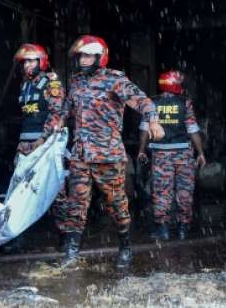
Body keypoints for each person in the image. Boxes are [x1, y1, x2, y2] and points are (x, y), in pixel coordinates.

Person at [56, 35, 165, 269]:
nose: (82, 60)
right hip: (81, 155)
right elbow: (67, 108)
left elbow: (142, 101)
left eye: (87, 55)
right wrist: (58, 122)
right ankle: (71, 252)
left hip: (108, 155)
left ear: (99, 57)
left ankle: (125, 245)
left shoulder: (114, 80)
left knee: (116, 204)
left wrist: (154, 121)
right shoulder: (76, 82)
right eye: (80, 56)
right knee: (76, 203)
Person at [0, 43, 68, 254]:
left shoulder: (51, 84)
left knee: (55, 190)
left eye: (32, 61)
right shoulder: (24, 85)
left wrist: (43, 139)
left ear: (42, 62)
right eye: (25, 62)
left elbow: (56, 114)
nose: (28, 65)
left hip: (45, 145)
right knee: (19, 190)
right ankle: (17, 236)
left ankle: (66, 236)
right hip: (25, 144)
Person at [137, 70, 206, 241]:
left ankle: (164, 229)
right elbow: (193, 130)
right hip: (184, 154)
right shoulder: (185, 103)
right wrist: (201, 152)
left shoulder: (151, 102)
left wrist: (141, 150)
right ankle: (183, 228)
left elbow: (144, 130)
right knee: (185, 191)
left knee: (161, 192)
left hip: (161, 154)